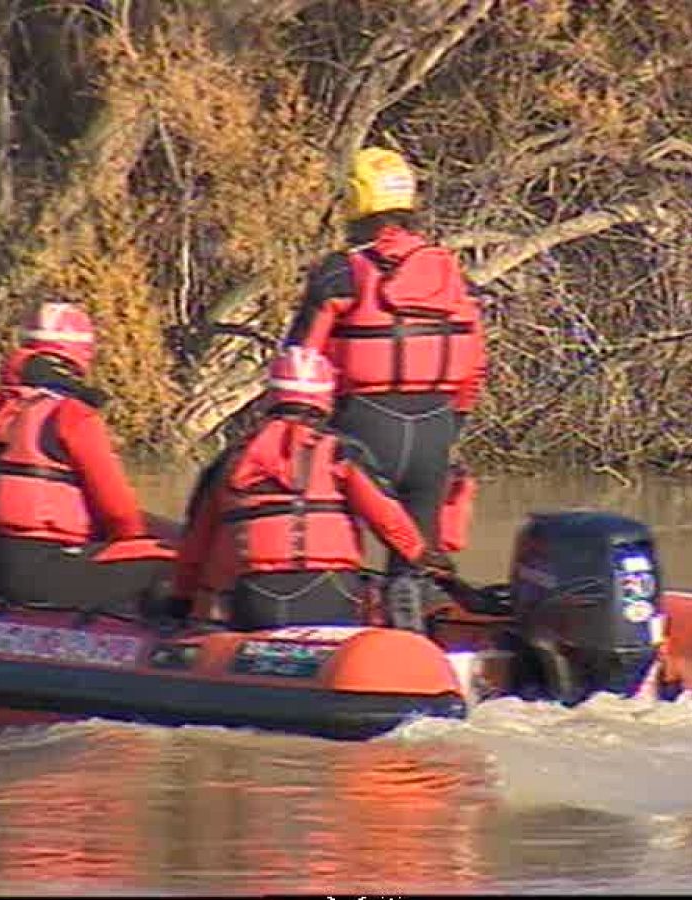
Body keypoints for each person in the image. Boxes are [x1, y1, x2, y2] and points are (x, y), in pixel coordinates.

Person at [283, 147, 486, 622]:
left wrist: (293, 432)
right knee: (413, 556)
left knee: (327, 531)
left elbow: (301, 360)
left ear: (355, 200)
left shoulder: (342, 272)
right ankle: (414, 624)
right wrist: (450, 426)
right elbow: (474, 366)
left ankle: (327, 619)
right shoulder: (451, 275)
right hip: (435, 428)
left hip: (361, 425)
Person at [171, 345, 455, 631]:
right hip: (330, 593)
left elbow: (196, 545)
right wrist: (426, 558)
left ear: (270, 398)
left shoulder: (228, 462)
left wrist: (180, 601)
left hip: (254, 599)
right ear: (326, 399)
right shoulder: (340, 452)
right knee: (388, 592)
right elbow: (388, 520)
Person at [0, 301, 171, 615]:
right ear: (81, 355)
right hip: (34, 576)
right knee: (169, 567)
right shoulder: (72, 414)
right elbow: (119, 514)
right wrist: (130, 544)